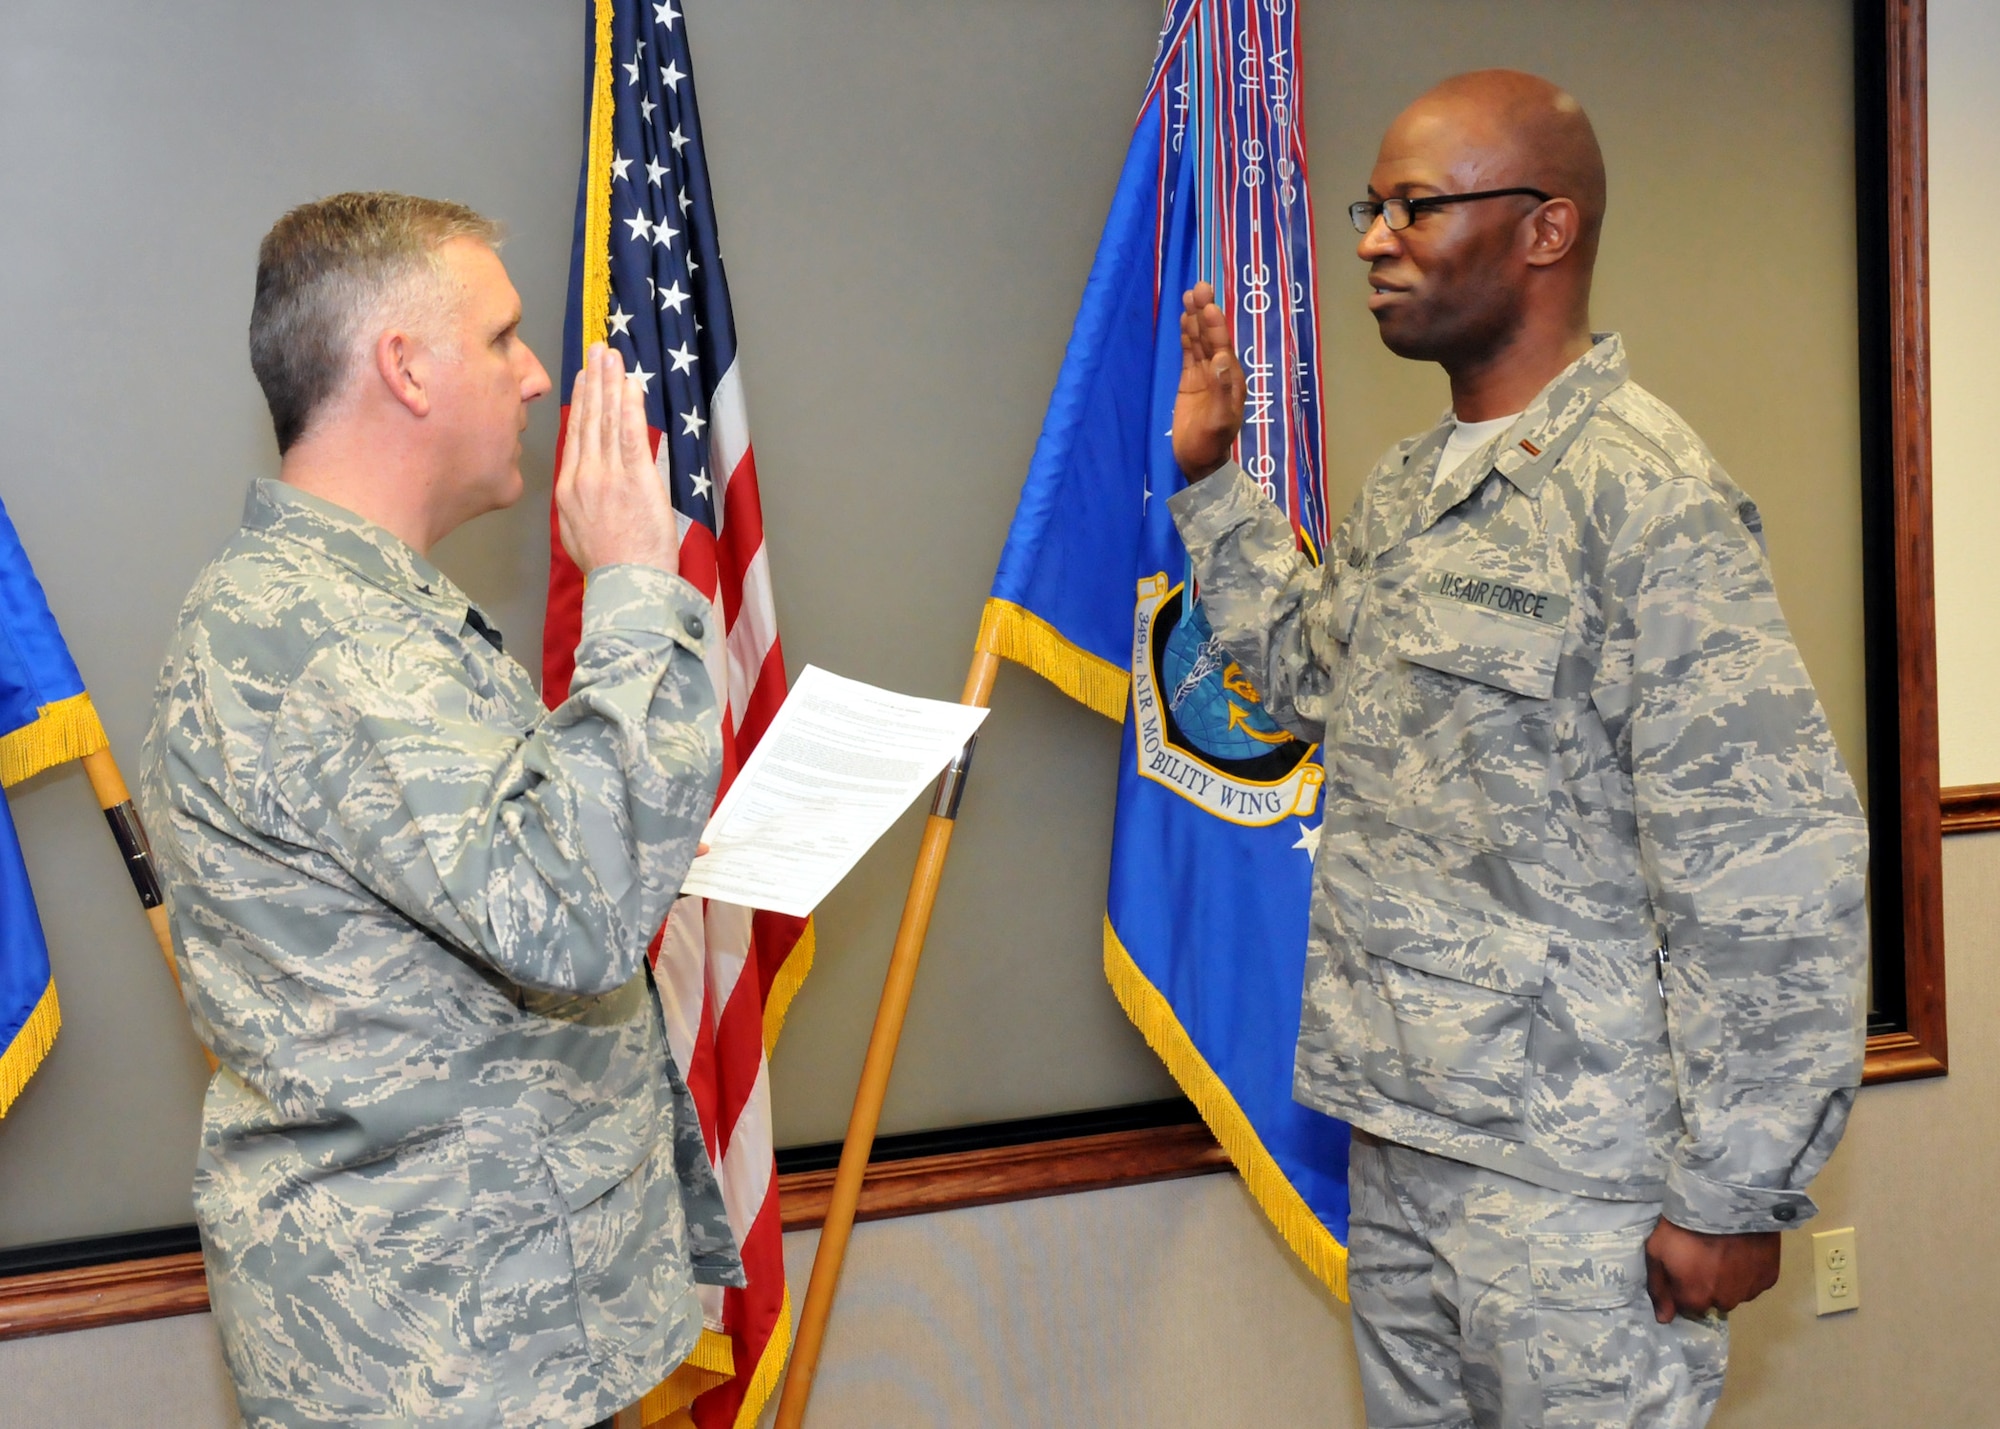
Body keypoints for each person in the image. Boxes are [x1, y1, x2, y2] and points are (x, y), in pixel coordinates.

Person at [1168, 71, 1867, 1428]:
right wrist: (1213, 484)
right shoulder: (1415, 487)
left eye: (1414, 207)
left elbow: (1771, 870)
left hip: (1579, 1190)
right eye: (1372, 207)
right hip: (1407, 1146)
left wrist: (1736, 1187)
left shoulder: (1646, 500)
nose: (1371, 238)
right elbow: (1310, 677)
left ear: (1546, 231)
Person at [140, 192, 739, 1427]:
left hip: (496, 1338)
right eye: (504, 337)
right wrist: (631, 580)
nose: (535, 379)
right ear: (404, 368)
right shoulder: (320, 638)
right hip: (437, 1363)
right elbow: (573, 912)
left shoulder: (364, 613)